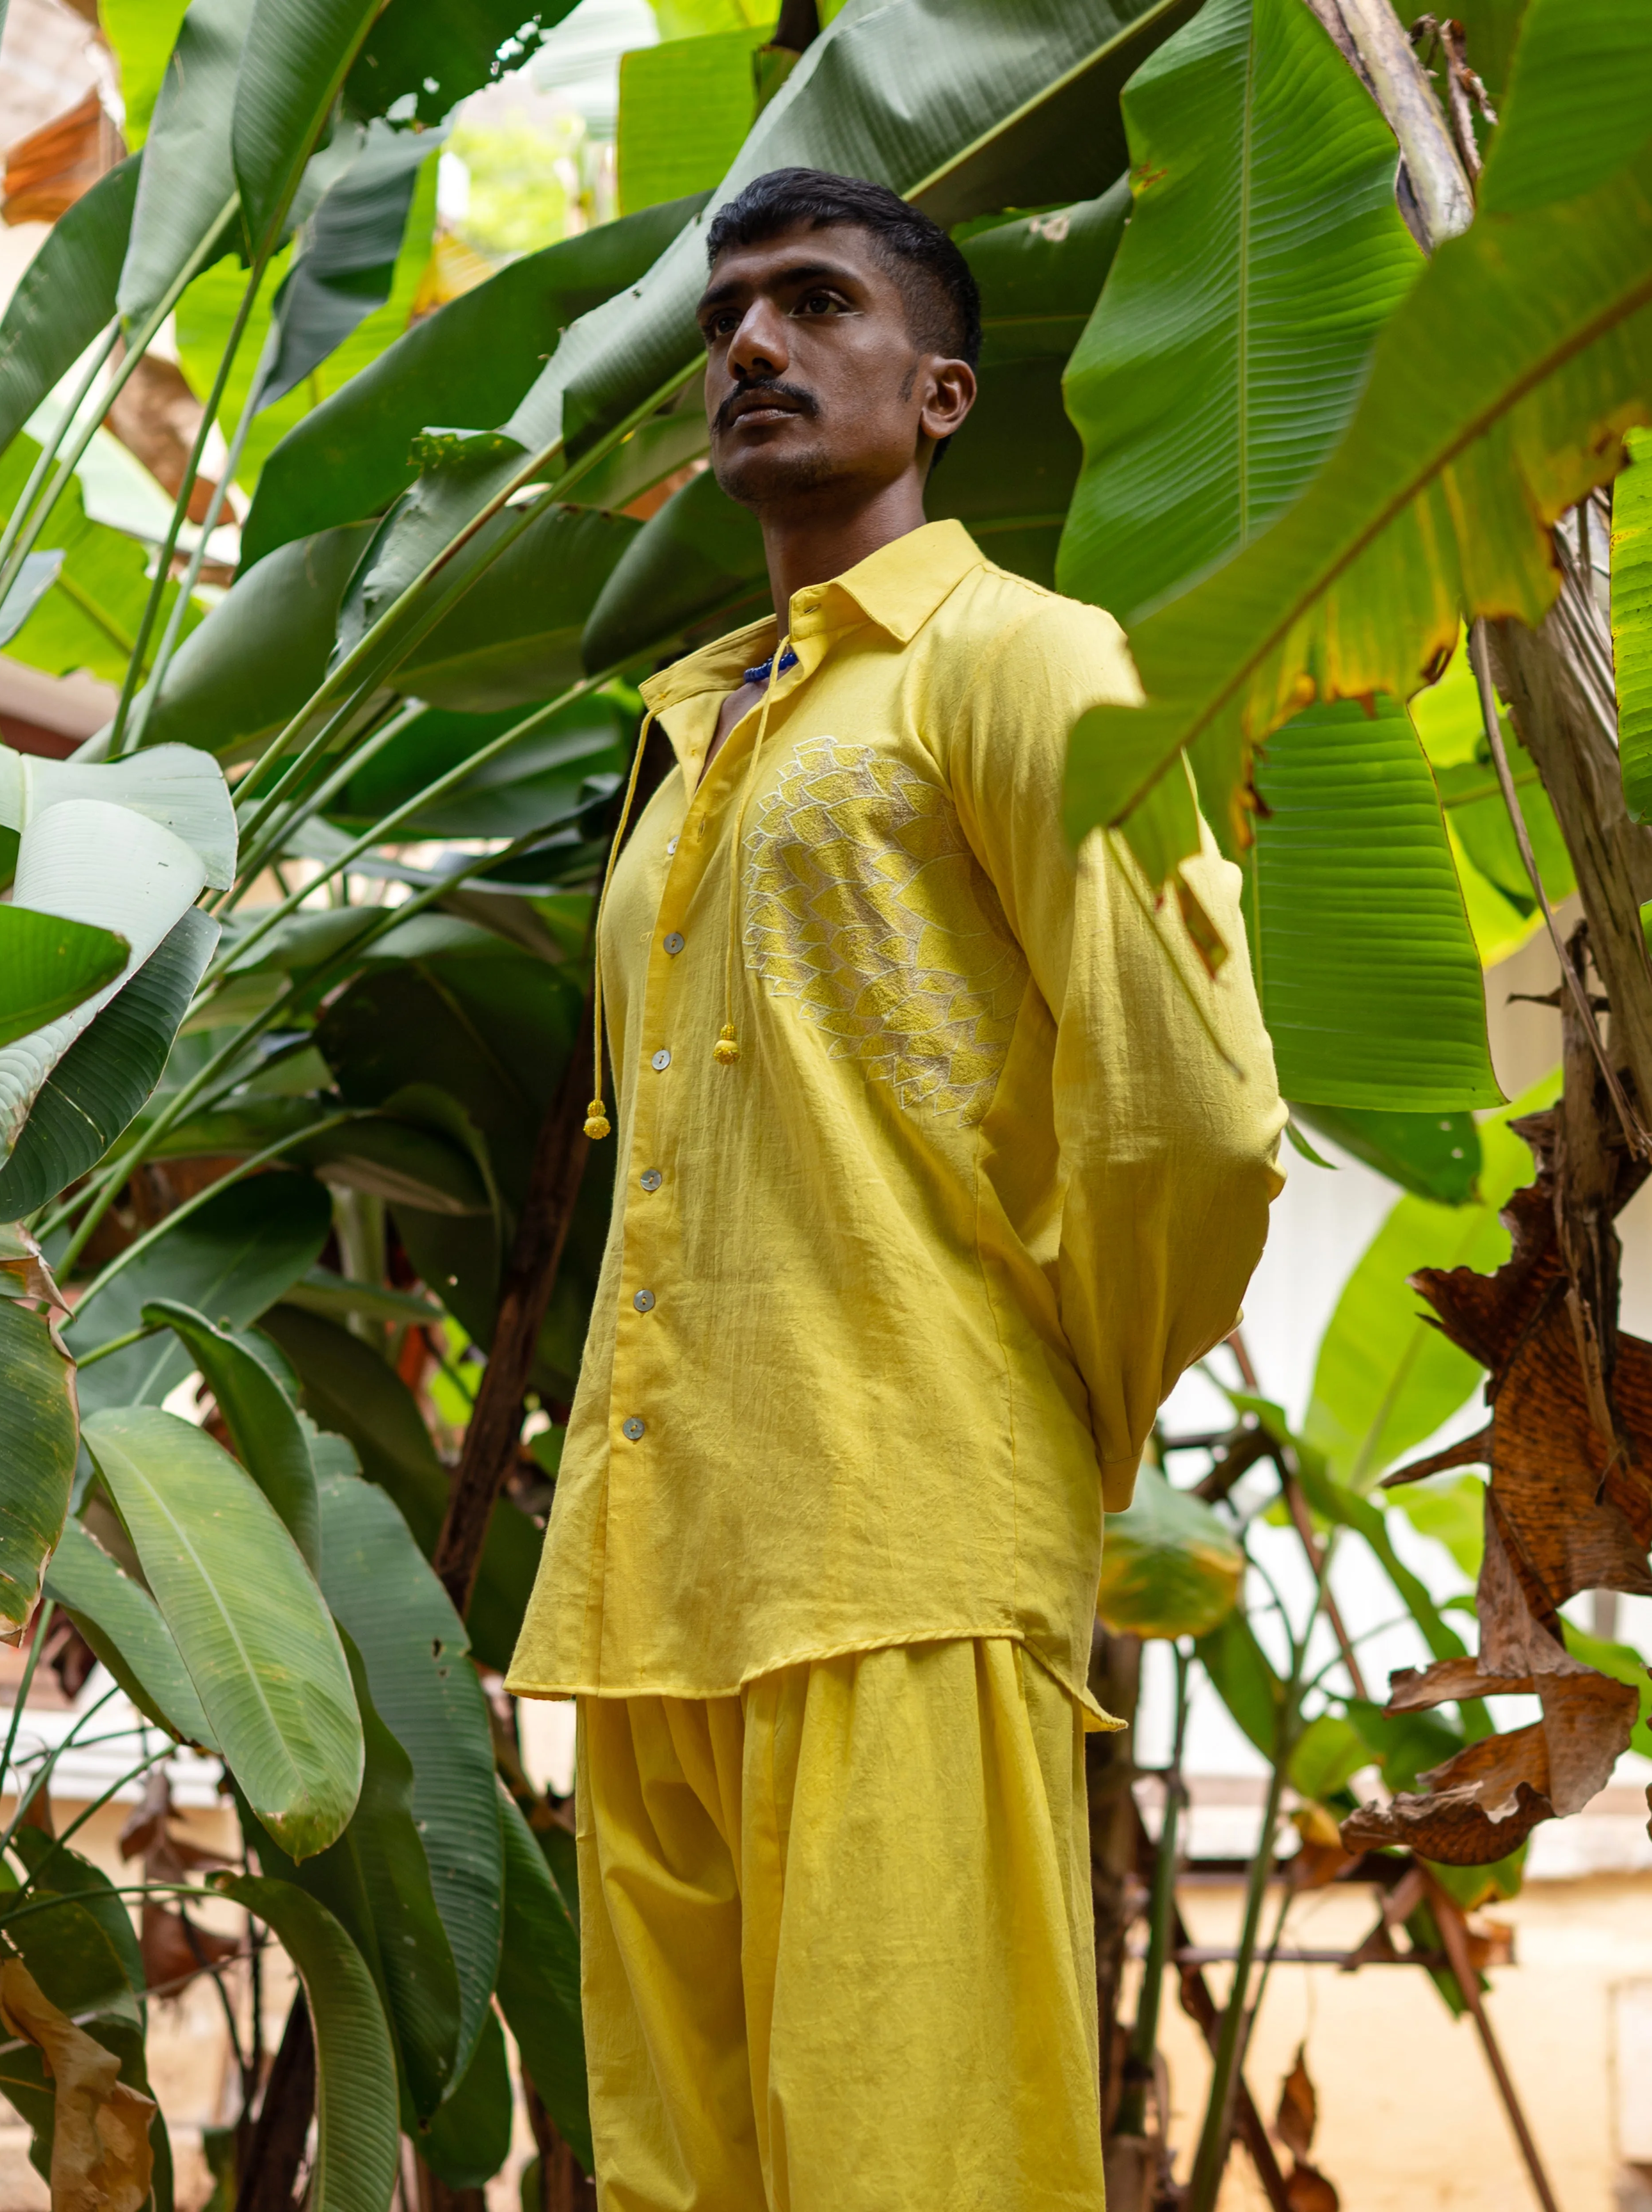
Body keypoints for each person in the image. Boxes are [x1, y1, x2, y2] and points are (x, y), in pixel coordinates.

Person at [506, 167, 1285, 2212]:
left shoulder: (1021, 658)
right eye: (725, 317)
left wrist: (1046, 1408)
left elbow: (1188, 1110)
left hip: (904, 1536)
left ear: (942, 392)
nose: (749, 346)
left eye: (814, 304)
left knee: (905, 2156)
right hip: (658, 1576)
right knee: (689, 2172)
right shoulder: (698, 736)